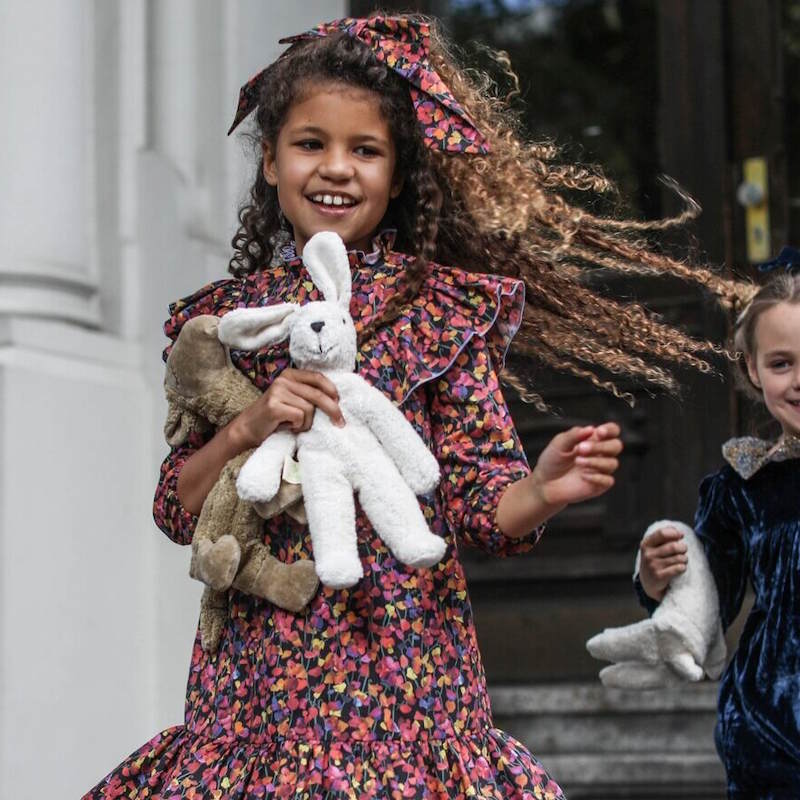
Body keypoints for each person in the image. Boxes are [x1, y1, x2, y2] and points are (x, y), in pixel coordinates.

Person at [84, 14, 738, 799]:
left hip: (406, 671)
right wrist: (252, 424)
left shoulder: (438, 316)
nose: (337, 168)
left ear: (397, 176)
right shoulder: (227, 326)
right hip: (261, 681)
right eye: (310, 143)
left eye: (365, 150)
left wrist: (544, 489)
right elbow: (178, 508)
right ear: (268, 161)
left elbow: (479, 506)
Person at [638, 270, 800, 798]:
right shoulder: (743, 485)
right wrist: (661, 576)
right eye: (781, 363)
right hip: (771, 736)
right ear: (753, 370)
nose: (798, 379)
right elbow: (711, 598)